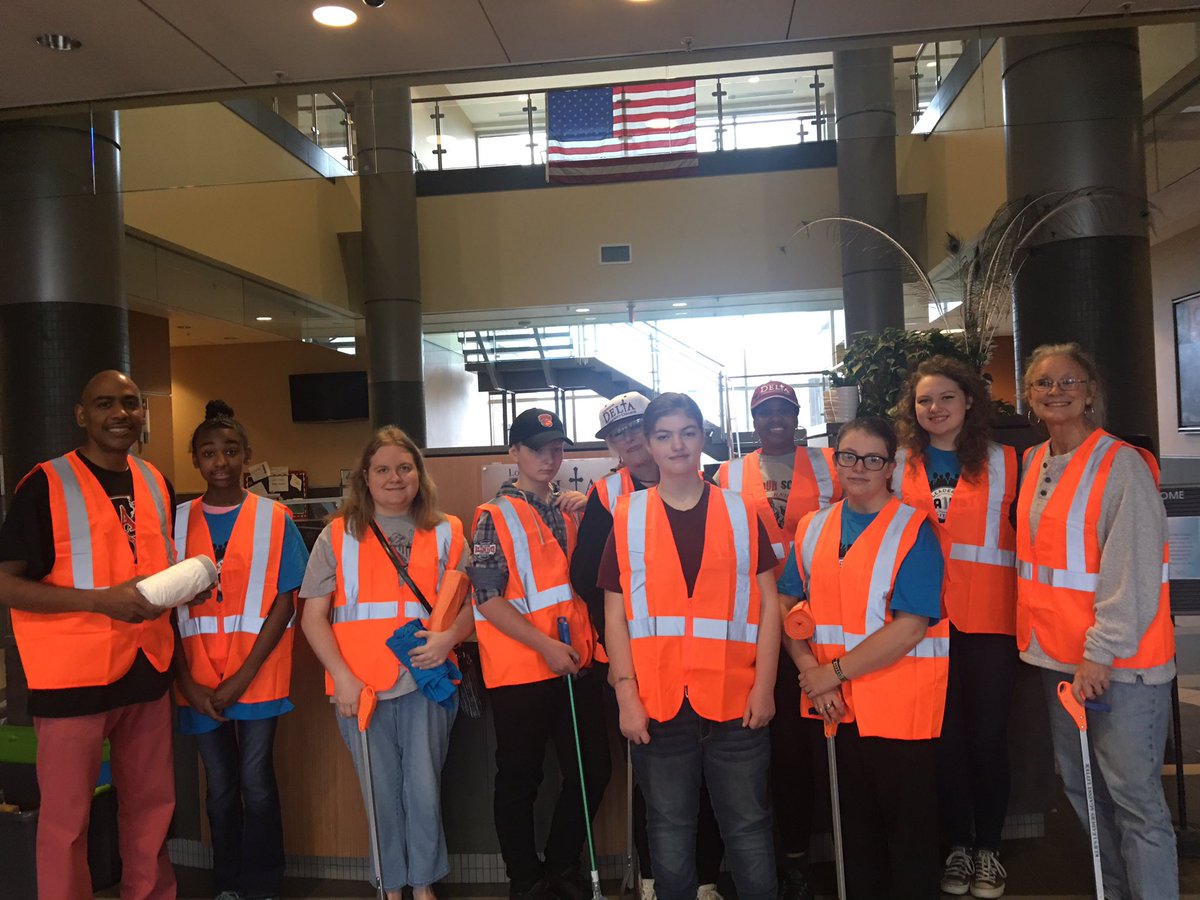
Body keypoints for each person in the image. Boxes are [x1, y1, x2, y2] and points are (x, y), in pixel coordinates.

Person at [0, 370, 181, 900]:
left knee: (152, 809)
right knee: (66, 823)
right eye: (105, 404)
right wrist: (99, 602)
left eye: (130, 402)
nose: (120, 413)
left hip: (147, 669)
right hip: (71, 681)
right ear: (82, 415)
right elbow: (5, 584)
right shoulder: (45, 484)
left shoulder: (155, 481)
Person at [602, 392, 781, 900]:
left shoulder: (742, 511)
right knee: (669, 832)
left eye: (687, 433)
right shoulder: (628, 514)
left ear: (703, 438)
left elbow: (770, 606)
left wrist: (765, 687)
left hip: (736, 701)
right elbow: (615, 614)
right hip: (657, 705)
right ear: (649, 444)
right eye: (664, 435)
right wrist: (626, 694)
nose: (677, 445)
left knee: (748, 829)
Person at [1017, 343, 1177, 900]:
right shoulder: (1034, 460)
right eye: (1043, 383)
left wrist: (1100, 653)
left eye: (1069, 381)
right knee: (1085, 792)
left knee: (1135, 801)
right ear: (1029, 395)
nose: (1056, 391)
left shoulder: (1121, 464)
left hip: (1120, 667)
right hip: (1058, 661)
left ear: (1090, 392)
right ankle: (1112, 891)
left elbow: (1131, 570)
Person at [300, 426, 475, 900]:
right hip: (361, 688)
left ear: (419, 473)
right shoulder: (337, 534)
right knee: (378, 792)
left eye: (404, 467)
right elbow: (313, 617)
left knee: (424, 788)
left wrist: (448, 639)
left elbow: (472, 606)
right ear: (365, 477)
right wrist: (341, 678)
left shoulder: (449, 530)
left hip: (428, 680)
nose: (394, 478)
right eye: (382, 469)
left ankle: (423, 885)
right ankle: (390, 886)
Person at [779, 415, 947, 900]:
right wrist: (811, 673)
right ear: (835, 460)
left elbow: (911, 627)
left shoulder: (913, 530)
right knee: (852, 836)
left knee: (910, 841)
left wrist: (829, 674)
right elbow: (788, 607)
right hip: (833, 709)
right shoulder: (813, 528)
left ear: (891, 467)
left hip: (899, 712)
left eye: (873, 459)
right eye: (849, 456)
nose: (858, 468)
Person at [571, 392, 725, 900]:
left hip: (705, 660)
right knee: (653, 781)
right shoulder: (607, 494)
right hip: (637, 663)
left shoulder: (707, 485)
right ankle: (656, 879)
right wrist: (623, 651)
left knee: (708, 775)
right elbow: (590, 579)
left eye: (638, 427)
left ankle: (706, 878)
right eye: (619, 433)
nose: (630, 439)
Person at [469, 408, 611, 900]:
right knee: (520, 779)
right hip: (522, 672)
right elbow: (487, 598)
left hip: (577, 665)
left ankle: (561, 864)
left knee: (592, 772)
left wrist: (589, 512)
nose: (549, 457)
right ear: (514, 453)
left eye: (556, 448)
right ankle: (526, 879)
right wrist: (545, 646)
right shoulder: (493, 516)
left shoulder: (569, 511)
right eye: (536, 448)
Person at [173, 400, 310, 900]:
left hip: (257, 677)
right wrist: (188, 684)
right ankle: (227, 884)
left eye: (231, 450)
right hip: (196, 680)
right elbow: (163, 611)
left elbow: (286, 602)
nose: (221, 461)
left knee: (256, 783)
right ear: (195, 459)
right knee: (219, 790)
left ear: (247, 456)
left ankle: (263, 885)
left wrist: (242, 677)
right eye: (209, 452)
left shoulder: (275, 518)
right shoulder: (175, 522)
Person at [893, 358, 1018, 899]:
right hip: (922, 624)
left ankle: (989, 848)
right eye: (924, 400)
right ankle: (959, 845)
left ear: (969, 401)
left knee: (987, 738)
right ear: (912, 409)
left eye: (946, 397)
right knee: (943, 741)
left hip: (991, 622)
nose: (935, 408)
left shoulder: (1008, 461)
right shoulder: (898, 465)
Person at [717, 379, 840, 900]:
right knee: (762, 749)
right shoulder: (727, 474)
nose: (775, 421)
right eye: (765, 413)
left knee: (804, 751)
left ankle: (801, 858)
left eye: (784, 411)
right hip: (754, 625)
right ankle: (766, 860)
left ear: (796, 417)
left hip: (821, 624)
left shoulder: (831, 464)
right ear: (753, 421)